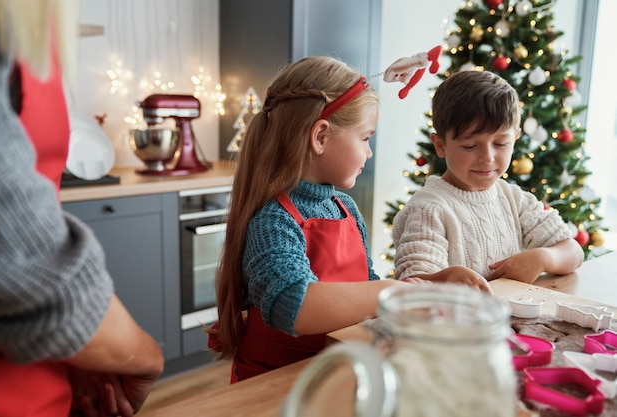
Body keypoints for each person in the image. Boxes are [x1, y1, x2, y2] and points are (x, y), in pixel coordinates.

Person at [0, 1, 164, 416]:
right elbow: (23, 257)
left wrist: (80, 350)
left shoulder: (29, 22)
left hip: (49, 384)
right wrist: (144, 355)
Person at [209, 56, 423, 382]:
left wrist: (424, 287)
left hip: (336, 377)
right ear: (320, 137)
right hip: (277, 388)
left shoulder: (346, 208)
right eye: (365, 138)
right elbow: (291, 303)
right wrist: (389, 293)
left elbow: (364, 285)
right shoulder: (273, 221)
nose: (369, 152)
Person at [392, 70, 584, 287]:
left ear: (515, 139)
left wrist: (542, 258)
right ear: (440, 145)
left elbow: (573, 251)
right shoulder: (428, 210)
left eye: (500, 143)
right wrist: (445, 280)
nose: (487, 158)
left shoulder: (514, 199)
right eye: (470, 146)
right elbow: (413, 283)